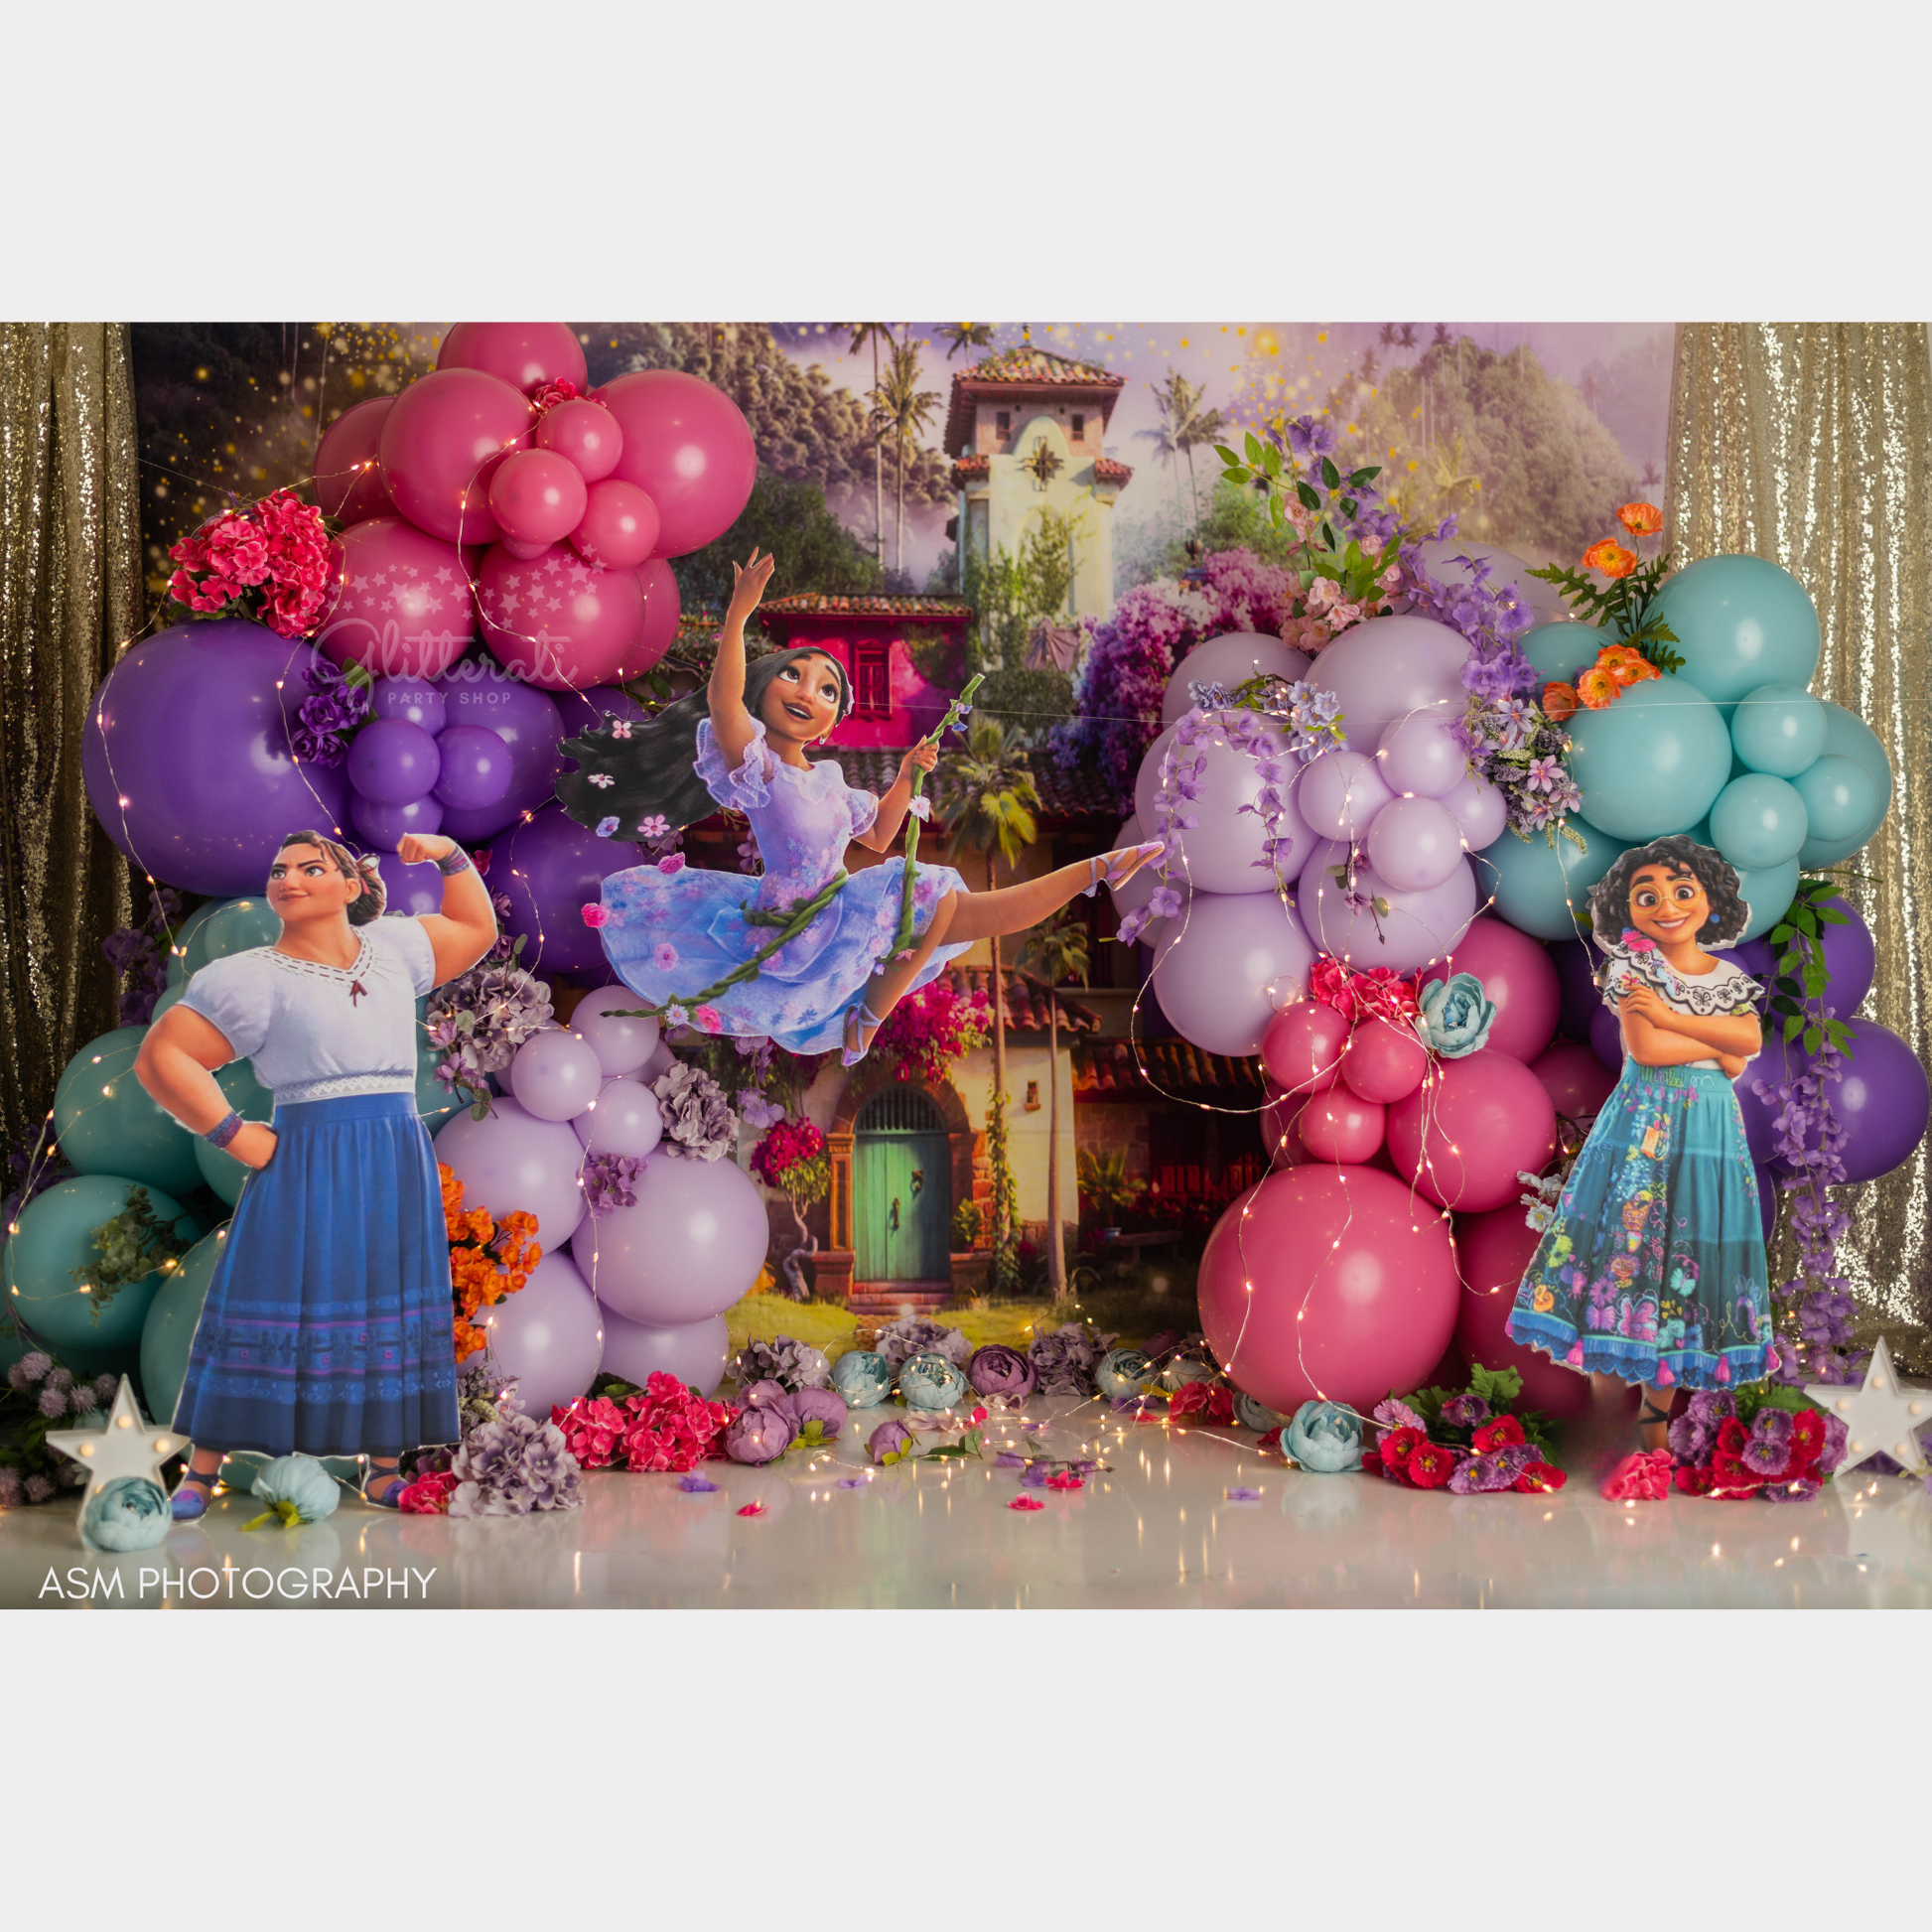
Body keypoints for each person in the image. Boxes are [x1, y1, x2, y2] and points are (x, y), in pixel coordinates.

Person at [556, 548, 1162, 1061]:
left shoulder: (831, 781)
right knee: (939, 898)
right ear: (763, 691)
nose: (807, 692)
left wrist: (907, 775)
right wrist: (739, 613)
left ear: (829, 722)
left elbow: (878, 837)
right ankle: (867, 1020)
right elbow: (722, 700)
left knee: (959, 905)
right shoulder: (759, 768)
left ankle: (1095, 870)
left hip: (843, 903)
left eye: (826, 689)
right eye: (793, 675)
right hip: (793, 920)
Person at [134, 830, 498, 1516]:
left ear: (352, 886)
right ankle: (201, 1473)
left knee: (387, 1291)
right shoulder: (252, 978)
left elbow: (477, 929)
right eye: (279, 870)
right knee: (263, 1288)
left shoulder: (395, 948)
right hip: (306, 1152)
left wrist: (449, 855)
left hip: (394, 1152)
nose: (289, 878)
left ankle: (384, 1469)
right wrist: (233, 1133)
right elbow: (162, 1057)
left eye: (310, 867)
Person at [1503, 835, 1775, 1454]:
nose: (1667, 905)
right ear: (1627, 910)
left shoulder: (1729, 976)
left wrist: (1676, 1019)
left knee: (1691, 1259)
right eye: (1646, 896)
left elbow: (1748, 1045)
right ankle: (1605, 1412)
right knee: (1627, 1249)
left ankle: (1655, 1417)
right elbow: (1649, 1050)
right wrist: (1718, 1042)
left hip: (1710, 1131)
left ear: (1711, 899)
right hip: (1645, 1125)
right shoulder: (1632, 969)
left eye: (1682, 890)